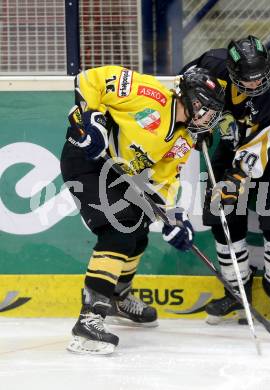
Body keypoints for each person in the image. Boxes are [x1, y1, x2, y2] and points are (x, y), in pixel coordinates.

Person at [60, 65, 225, 354]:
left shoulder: (184, 138)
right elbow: (89, 79)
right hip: (87, 160)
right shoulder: (150, 95)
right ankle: (89, 320)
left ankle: (117, 298)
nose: (211, 118)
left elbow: (163, 182)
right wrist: (92, 119)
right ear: (193, 101)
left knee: (139, 232)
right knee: (118, 232)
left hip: (119, 173)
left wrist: (175, 218)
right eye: (209, 110)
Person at [181, 36, 270, 325]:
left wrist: (233, 182)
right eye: (246, 80)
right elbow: (185, 85)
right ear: (231, 69)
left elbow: (258, 150)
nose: (253, 85)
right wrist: (196, 121)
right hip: (231, 144)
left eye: (258, 78)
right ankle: (237, 294)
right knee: (223, 221)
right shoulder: (213, 63)